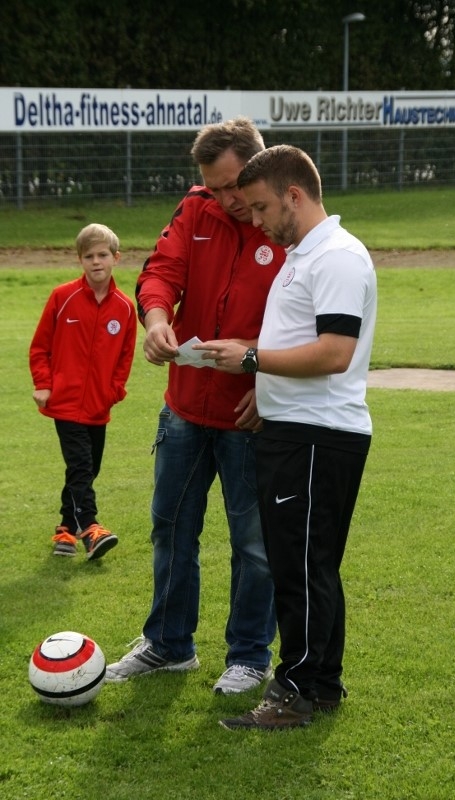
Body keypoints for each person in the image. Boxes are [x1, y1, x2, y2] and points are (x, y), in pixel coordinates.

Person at [195, 144, 377, 729]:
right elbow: (301, 342)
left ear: (294, 196)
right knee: (311, 564)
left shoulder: (338, 257)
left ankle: (293, 692)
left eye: (261, 207)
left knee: (298, 568)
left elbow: (334, 352)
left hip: (316, 435)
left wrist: (250, 358)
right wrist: (245, 354)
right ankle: (321, 685)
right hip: (297, 432)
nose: (255, 220)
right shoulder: (304, 255)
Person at [105, 118, 286, 694]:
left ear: (259, 168)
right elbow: (160, 272)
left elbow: (306, 325)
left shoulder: (287, 225)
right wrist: (157, 320)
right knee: (170, 526)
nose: (227, 199)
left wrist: (268, 381)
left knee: (254, 543)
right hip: (184, 407)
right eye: (215, 187)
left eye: (234, 186)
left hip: (249, 414)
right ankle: (168, 645)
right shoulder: (195, 208)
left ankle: (250, 656)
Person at [29, 223, 137, 560]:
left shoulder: (125, 307)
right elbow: (40, 347)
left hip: (98, 406)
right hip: (64, 403)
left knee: (88, 469)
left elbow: (125, 357)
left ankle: (65, 530)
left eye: (102, 255)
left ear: (116, 258)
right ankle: (91, 528)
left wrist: (113, 392)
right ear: (80, 260)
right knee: (80, 467)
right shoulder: (62, 297)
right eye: (89, 256)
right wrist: (44, 384)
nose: (96, 262)